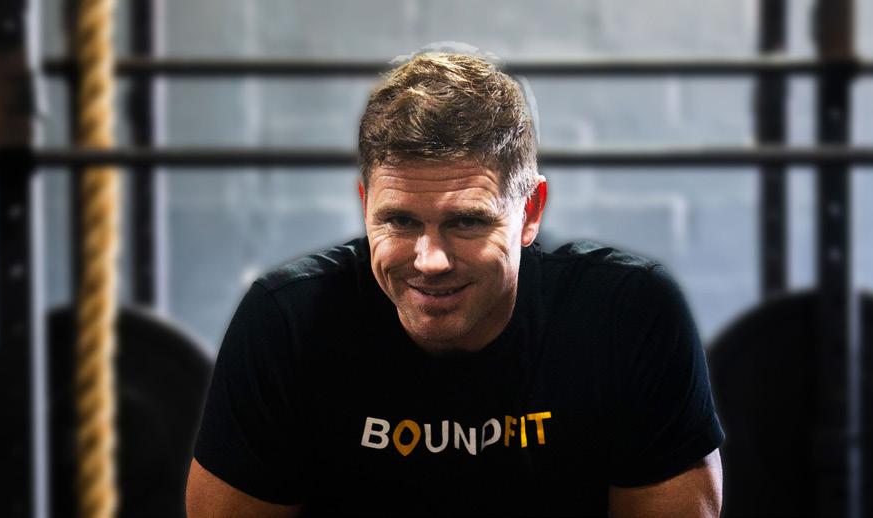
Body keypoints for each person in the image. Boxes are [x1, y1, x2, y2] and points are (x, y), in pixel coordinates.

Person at [186, 51, 724, 517]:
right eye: (400, 221)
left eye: (467, 222)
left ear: (530, 212)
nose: (431, 260)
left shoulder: (627, 315)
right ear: (365, 206)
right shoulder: (286, 322)